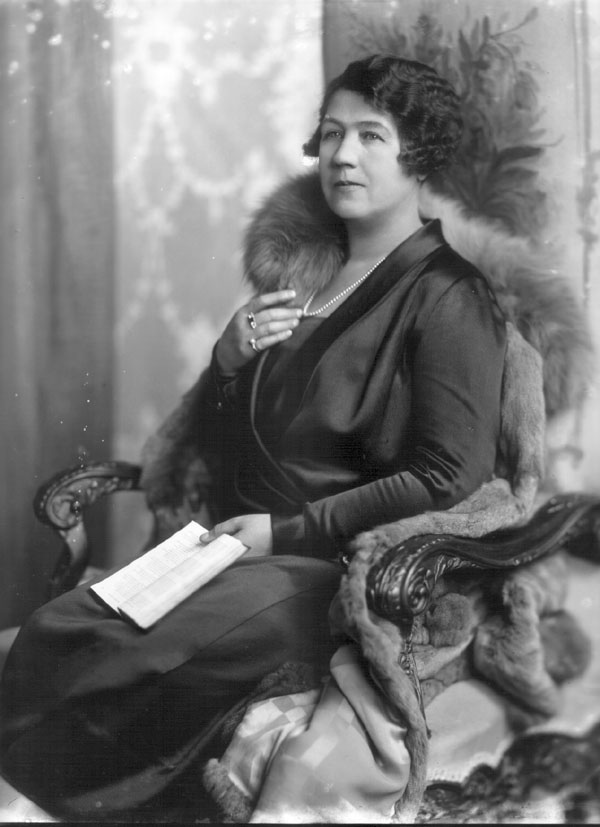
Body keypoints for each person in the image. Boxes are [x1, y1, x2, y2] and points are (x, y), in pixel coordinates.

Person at [0, 55, 507, 819]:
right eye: (331, 133)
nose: (342, 155)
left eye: (371, 136)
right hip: (239, 545)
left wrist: (284, 531)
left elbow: (449, 475)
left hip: (334, 570)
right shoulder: (310, 275)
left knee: (135, 654)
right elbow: (247, 445)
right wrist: (229, 364)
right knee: (58, 625)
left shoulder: (450, 296)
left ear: (419, 156)